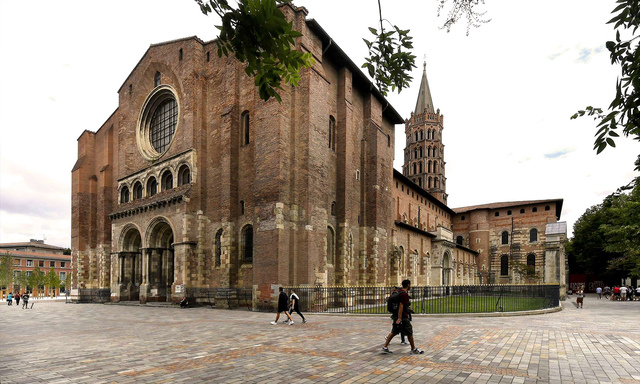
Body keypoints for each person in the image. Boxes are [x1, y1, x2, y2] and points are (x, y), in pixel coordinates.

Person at [382, 279, 424, 354]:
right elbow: (401, 306)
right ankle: (413, 348)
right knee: (409, 331)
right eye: (410, 284)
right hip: (403, 316)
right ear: (408, 285)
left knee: (394, 331)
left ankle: (385, 346)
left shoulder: (399, 292)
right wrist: (400, 318)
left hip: (396, 315)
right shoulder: (404, 294)